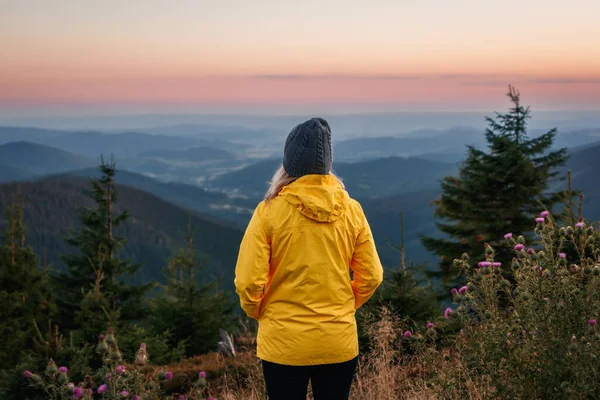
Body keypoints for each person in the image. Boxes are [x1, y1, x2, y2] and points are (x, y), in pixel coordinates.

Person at [234, 117, 384, 400]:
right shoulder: (352, 210)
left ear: (288, 163)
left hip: (283, 344)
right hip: (337, 341)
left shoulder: (268, 212)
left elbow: (247, 283)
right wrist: (346, 306)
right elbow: (373, 276)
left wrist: (259, 311)